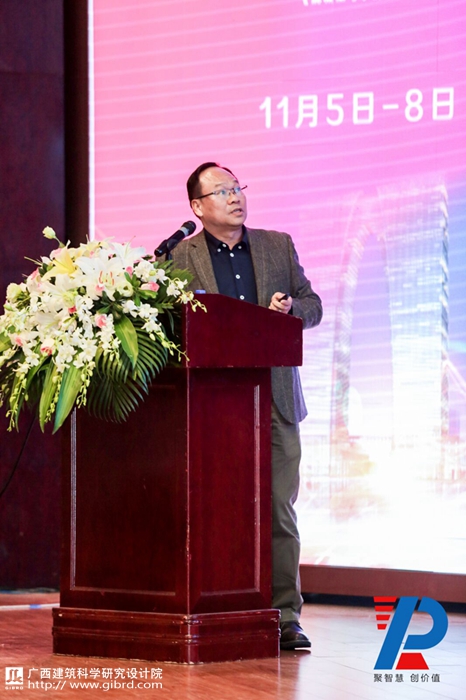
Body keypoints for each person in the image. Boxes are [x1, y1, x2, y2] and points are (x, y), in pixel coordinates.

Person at [169, 162, 323, 650]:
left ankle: (285, 616)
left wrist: (291, 311)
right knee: (216, 509)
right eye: (222, 191)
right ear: (197, 207)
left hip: (274, 399)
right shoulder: (179, 256)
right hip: (212, 406)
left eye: (237, 188)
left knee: (278, 509)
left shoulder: (277, 245)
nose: (235, 197)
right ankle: (221, 609)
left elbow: (313, 305)